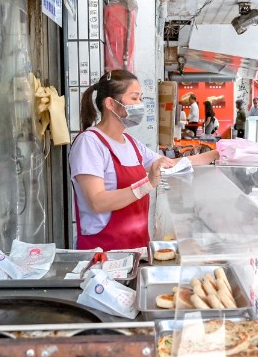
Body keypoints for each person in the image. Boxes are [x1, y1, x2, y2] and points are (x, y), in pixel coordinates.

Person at [71, 70, 218, 250]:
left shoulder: (131, 143)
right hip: (103, 251)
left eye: (140, 98)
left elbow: (168, 165)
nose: (140, 105)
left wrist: (217, 153)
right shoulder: (89, 143)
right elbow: (97, 201)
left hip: (137, 247)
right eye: (134, 99)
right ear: (110, 103)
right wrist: (147, 184)